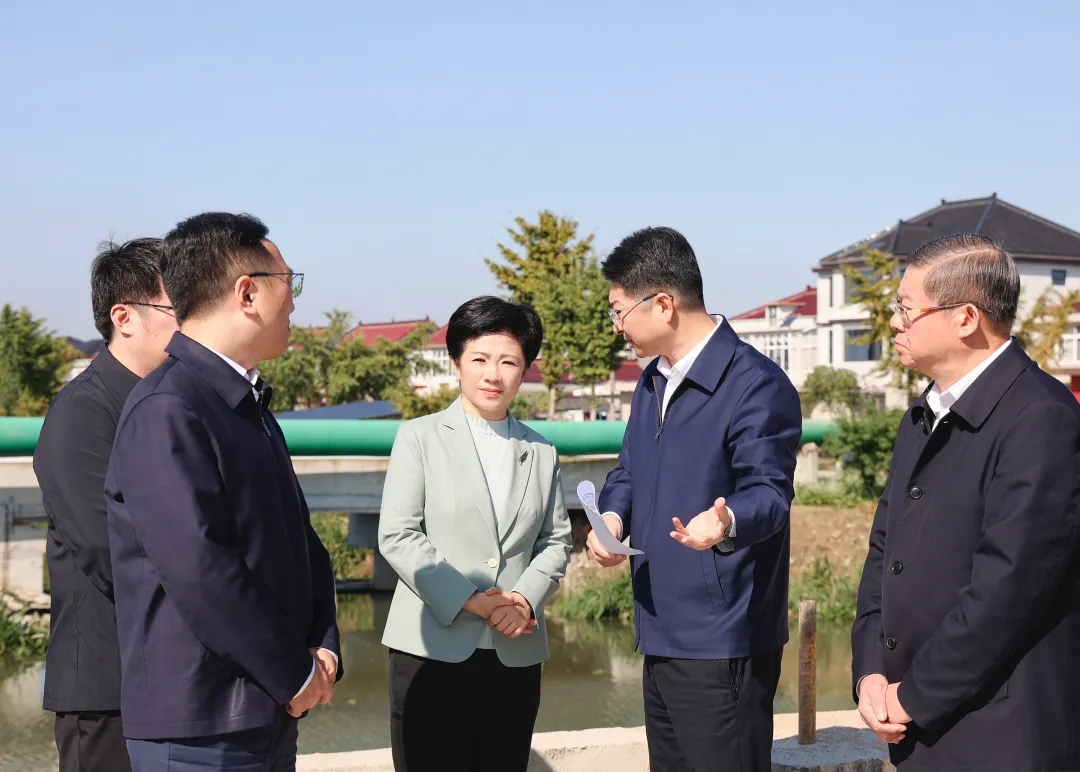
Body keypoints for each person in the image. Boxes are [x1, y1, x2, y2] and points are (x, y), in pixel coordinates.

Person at [104, 212, 341, 770]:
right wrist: (294, 671)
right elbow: (201, 568)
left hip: (265, 710)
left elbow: (299, 540)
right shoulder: (168, 408)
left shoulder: (243, 402)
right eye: (289, 282)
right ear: (247, 292)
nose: (294, 301)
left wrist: (324, 643)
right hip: (202, 726)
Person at [850, 233, 1080, 771]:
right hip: (914, 719)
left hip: (1001, 732)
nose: (895, 323)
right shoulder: (924, 414)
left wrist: (914, 695)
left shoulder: (1039, 418)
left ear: (965, 318)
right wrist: (870, 672)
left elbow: (1008, 590)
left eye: (907, 310)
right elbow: (884, 553)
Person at [587, 226, 802, 772]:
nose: (616, 326)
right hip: (659, 626)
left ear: (663, 304)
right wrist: (611, 517)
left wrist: (726, 522)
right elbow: (629, 470)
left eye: (618, 311)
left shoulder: (756, 384)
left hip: (723, 638)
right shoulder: (652, 381)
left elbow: (769, 494)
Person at [378, 295, 573, 772]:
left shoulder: (541, 451)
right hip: (430, 648)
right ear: (456, 363)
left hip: (515, 650)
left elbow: (556, 540)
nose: (493, 374)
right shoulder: (418, 437)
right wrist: (473, 600)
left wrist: (522, 600)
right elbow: (399, 535)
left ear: (525, 369)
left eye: (509, 361)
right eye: (480, 359)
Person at [33, 238, 177, 772]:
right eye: (179, 306)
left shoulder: (175, 403)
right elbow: (109, 551)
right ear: (124, 317)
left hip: (178, 682)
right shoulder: (83, 412)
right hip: (107, 689)